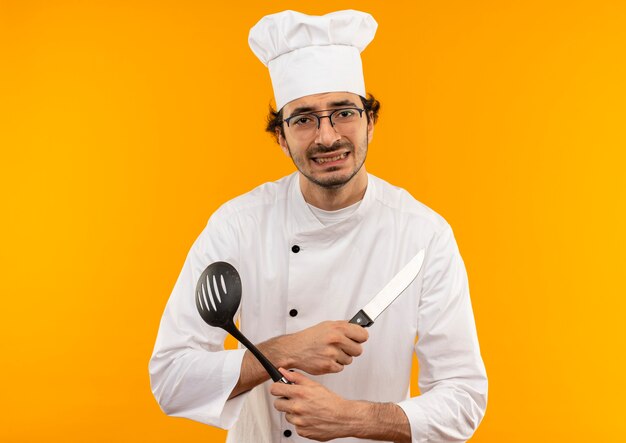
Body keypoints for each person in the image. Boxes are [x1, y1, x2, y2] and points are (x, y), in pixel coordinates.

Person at [149, 9, 487, 443]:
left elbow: (464, 399)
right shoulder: (237, 225)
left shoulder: (423, 234)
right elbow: (171, 379)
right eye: (304, 119)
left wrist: (352, 418)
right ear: (280, 136)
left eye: (343, 112)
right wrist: (284, 349)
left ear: (370, 121)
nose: (327, 137)